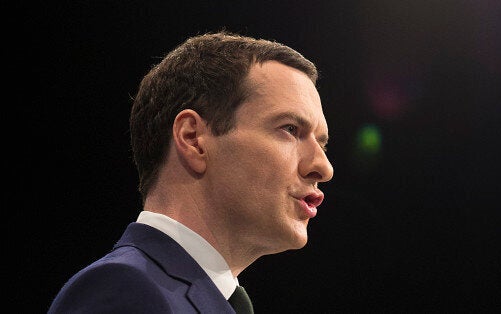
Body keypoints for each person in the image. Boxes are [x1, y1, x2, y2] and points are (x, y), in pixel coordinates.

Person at [47, 30, 334, 313]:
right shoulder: (125, 290)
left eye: (321, 143)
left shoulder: (196, 296)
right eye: (290, 130)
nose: (323, 167)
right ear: (193, 139)